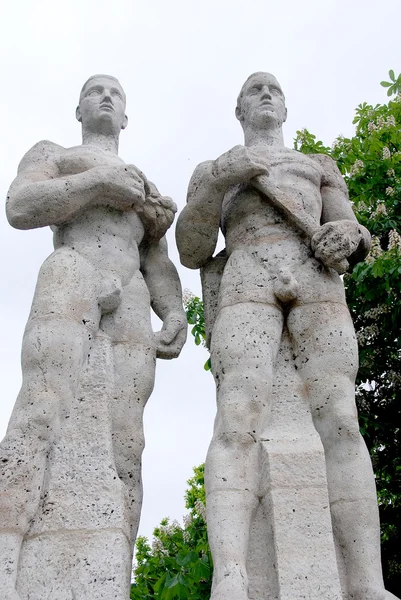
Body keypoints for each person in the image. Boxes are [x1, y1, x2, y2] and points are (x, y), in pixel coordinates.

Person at [176, 72, 397, 600]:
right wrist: (217, 183)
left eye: (273, 88)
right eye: (254, 90)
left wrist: (352, 234)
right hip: (248, 277)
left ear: (286, 107)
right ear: (239, 109)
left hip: (317, 281)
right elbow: (191, 247)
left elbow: (353, 230)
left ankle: (367, 582)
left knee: (342, 418)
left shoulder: (318, 167)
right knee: (237, 417)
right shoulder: (217, 169)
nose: (266, 94)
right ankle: (232, 575)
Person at [0, 74, 187, 599]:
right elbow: (20, 206)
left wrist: (173, 313)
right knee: (40, 411)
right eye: (94, 91)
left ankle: (111, 582)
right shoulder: (55, 152)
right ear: (78, 110)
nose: (106, 97)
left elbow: (155, 257)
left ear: (125, 117)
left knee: (129, 447)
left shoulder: (141, 181)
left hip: (130, 307)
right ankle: (5, 564)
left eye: (117, 93)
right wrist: (98, 187)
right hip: (74, 274)